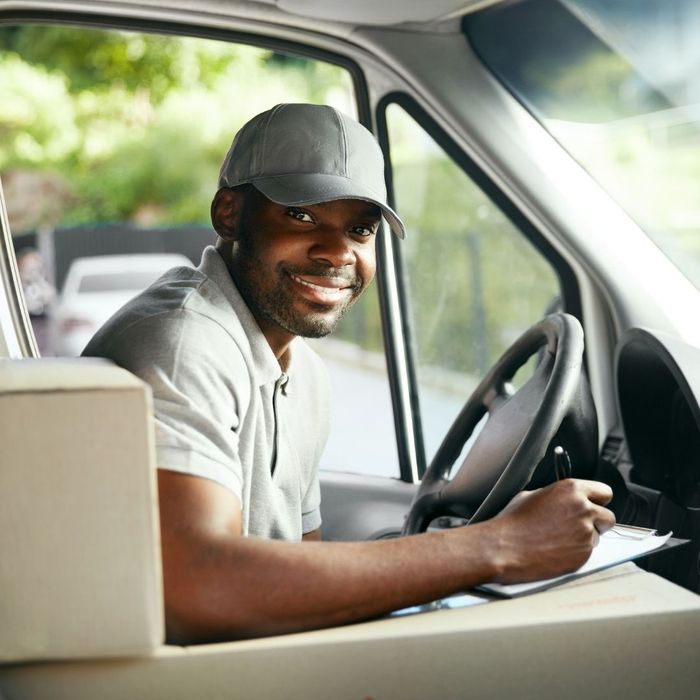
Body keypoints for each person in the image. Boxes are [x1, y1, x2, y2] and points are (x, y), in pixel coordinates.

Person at [83, 103, 615, 643]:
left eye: (360, 229)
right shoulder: (183, 342)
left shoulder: (304, 372)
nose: (338, 252)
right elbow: (195, 589)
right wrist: (500, 545)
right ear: (229, 214)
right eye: (302, 216)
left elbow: (297, 561)